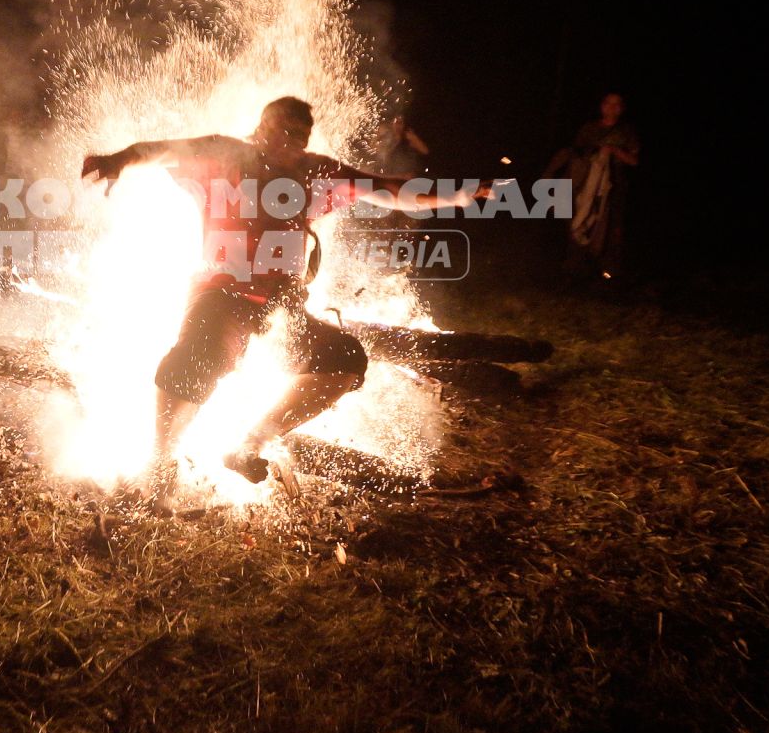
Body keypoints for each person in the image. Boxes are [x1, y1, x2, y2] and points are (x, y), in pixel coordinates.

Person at [81, 97, 477, 509]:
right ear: (261, 127)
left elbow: (390, 190)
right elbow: (162, 150)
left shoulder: (314, 172)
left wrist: (459, 196)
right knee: (196, 359)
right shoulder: (223, 153)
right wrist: (118, 160)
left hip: (280, 308)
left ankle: (250, 445)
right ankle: (160, 464)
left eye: (299, 137)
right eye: (281, 130)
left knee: (343, 358)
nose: (290, 143)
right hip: (220, 295)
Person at [544, 91, 640, 280]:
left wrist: (613, 151)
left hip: (614, 185)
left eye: (616, 104)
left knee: (611, 227)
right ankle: (574, 268)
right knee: (578, 219)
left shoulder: (626, 131)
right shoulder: (590, 128)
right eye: (608, 103)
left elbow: (634, 160)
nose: (611, 107)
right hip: (585, 183)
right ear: (602, 106)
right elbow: (576, 151)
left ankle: (608, 273)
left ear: (621, 109)